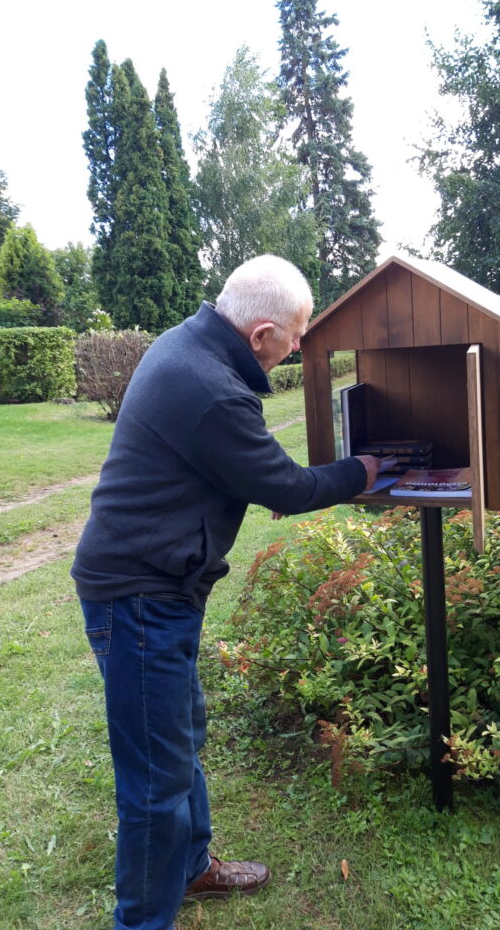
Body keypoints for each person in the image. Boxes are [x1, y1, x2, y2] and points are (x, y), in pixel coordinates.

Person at [72, 255, 381, 930]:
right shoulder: (210, 387)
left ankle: (192, 868)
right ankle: (143, 921)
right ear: (260, 334)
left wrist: (250, 478)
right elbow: (290, 488)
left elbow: (234, 470)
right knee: (155, 781)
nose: (300, 347)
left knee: (181, 735)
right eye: (297, 335)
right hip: (139, 597)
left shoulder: (190, 348)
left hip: (159, 589)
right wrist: (366, 469)